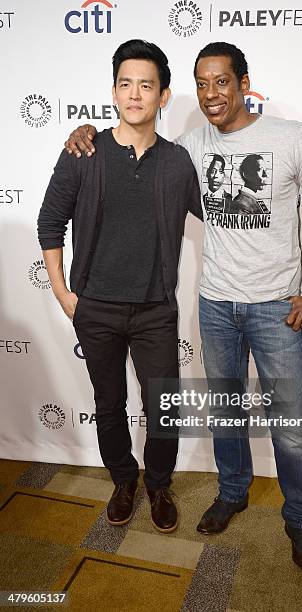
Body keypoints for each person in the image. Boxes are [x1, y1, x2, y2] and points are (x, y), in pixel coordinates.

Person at [63, 42, 302, 574]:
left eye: (222, 82)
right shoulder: (189, 146)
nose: (212, 94)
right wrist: (82, 135)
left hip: (276, 307)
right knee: (226, 413)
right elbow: (136, 143)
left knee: (288, 422)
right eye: (203, 83)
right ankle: (233, 492)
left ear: (243, 83)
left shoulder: (291, 138)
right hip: (215, 303)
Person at [38, 39, 202, 533]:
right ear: (114, 91)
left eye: (146, 85)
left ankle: (158, 484)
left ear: (163, 96)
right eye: (126, 84)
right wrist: (63, 292)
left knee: (163, 409)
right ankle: (124, 481)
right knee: (108, 405)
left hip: (155, 310)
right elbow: (50, 223)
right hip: (97, 309)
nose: (135, 94)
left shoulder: (178, 162)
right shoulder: (83, 152)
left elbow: (220, 218)